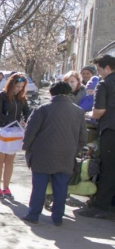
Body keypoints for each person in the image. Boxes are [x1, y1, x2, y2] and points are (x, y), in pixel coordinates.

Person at [21, 82, 87, 226]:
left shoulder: (42, 109)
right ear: (69, 93)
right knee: (61, 186)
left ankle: (33, 215)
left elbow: (30, 132)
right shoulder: (78, 111)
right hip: (66, 154)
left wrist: (27, 147)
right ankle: (58, 217)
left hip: (42, 153)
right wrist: (74, 150)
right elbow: (83, 137)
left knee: (39, 186)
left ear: (51, 93)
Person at [80, 55, 115, 218]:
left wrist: (87, 114)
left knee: (108, 168)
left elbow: (99, 111)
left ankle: (101, 206)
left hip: (110, 130)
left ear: (107, 68)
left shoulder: (105, 84)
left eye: (100, 70)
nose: (99, 73)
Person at [0, 72, 31, 199]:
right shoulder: (1, 96)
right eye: (17, 86)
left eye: (22, 87)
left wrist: (25, 119)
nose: (19, 89)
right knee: (0, 160)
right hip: (1, 130)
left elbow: (27, 112)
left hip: (14, 132)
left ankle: (6, 187)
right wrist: (11, 120)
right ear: (11, 84)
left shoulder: (21, 98)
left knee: (10, 160)